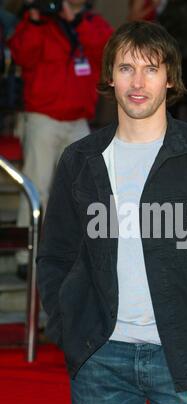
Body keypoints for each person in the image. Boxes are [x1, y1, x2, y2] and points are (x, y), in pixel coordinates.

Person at [36, 21, 187, 404]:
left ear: (169, 78)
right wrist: (69, 329)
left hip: (186, 361)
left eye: (151, 69)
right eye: (126, 68)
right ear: (109, 77)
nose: (137, 82)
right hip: (100, 359)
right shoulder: (81, 160)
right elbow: (56, 254)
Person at [8, 0, 113, 279]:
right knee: (36, 188)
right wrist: (33, 18)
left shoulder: (92, 23)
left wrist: (76, 23)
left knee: (83, 189)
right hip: (43, 118)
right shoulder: (40, 22)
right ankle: (25, 256)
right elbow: (21, 55)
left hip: (78, 120)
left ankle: (75, 253)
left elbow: (107, 51)